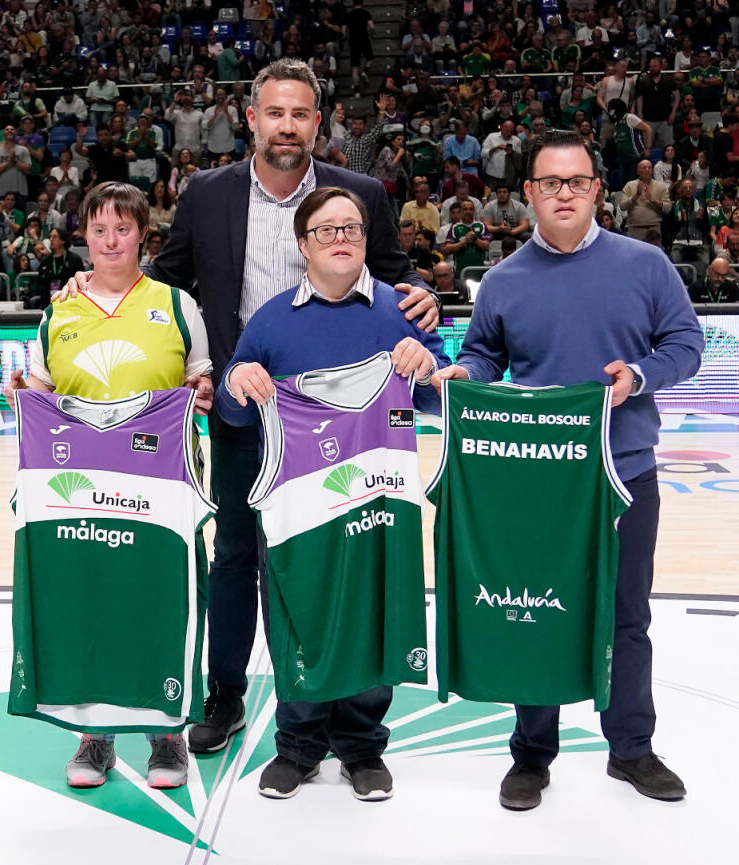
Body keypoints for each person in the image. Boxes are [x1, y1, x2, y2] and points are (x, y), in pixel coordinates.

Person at [58, 60, 438, 757]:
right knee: (234, 557)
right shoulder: (208, 193)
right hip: (244, 410)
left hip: (343, 424)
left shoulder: (357, 193)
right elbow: (165, 279)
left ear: (316, 124)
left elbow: (390, 270)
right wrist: (95, 279)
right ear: (251, 119)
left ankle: (343, 703)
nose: (286, 126)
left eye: (299, 114)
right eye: (274, 113)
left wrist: (423, 292)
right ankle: (224, 695)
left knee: (338, 556)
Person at [432, 129, 703, 811]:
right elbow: (489, 355)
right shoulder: (502, 280)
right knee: (535, 612)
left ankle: (630, 749)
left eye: (575, 181)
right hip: (537, 479)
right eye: (549, 183)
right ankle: (531, 754)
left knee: (624, 616)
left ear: (594, 190)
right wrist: (471, 372)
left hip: (623, 469)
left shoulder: (643, 265)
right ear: (527, 194)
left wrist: (637, 376)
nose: (562, 193)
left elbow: (685, 344)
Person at [217, 186, 448, 799]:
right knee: (298, 617)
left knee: (374, 612)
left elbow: (439, 395)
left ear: (366, 240)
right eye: (327, 229)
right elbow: (232, 413)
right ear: (303, 245)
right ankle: (297, 745)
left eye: (352, 228)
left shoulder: (401, 313)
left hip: (378, 500)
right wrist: (236, 379)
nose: (341, 237)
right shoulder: (270, 321)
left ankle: (362, 746)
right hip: (298, 504)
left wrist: (424, 364)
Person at [6, 181, 213, 788]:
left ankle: (166, 733)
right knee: (91, 599)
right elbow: (41, 392)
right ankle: (95, 738)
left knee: (160, 599)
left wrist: (199, 392)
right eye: (99, 230)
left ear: (142, 235)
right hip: (81, 486)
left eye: (123, 229)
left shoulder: (176, 305)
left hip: (163, 485)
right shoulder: (59, 310)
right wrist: (27, 395)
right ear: (85, 237)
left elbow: (201, 378)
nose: (111, 240)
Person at [619, 159, 672, 241]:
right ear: (638, 171)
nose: (647, 170)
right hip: (634, 228)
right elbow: (622, 206)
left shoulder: (661, 186)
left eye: (649, 168)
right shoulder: (630, 185)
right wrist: (636, 195)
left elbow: (668, 208)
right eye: (644, 168)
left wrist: (653, 200)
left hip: (654, 228)